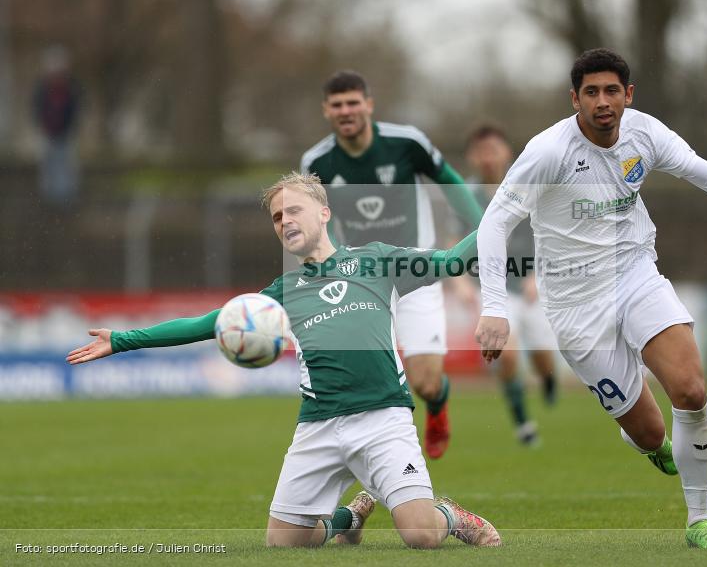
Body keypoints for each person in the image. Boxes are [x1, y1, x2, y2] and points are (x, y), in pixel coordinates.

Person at [474, 48, 707, 550]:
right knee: (648, 432)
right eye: (591, 92)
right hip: (575, 303)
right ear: (575, 99)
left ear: (628, 94)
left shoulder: (645, 133)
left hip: (635, 273)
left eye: (612, 91)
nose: (603, 102)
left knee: (690, 389)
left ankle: (700, 521)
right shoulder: (548, 151)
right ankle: (648, 440)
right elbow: (494, 223)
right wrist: (494, 307)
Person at [66, 173, 500, 550]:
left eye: (294, 210)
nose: (285, 221)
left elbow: (452, 261)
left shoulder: (379, 261)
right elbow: (208, 323)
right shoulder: (280, 292)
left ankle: (450, 515)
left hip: (382, 417)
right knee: (283, 542)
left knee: (420, 535)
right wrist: (121, 340)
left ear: (324, 213)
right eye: (277, 217)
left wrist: (500, 217)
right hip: (319, 425)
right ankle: (348, 519)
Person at [300, 71, 484, 459]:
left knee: (426, 383)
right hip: (361, 279)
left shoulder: (406, 142)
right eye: (337, 105)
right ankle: (371, 456)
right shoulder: (316, 162)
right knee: (361, 378)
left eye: (353, 102)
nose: (346, 111)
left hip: (416, 272)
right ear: (326, 111)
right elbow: (316, 223)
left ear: (369, 105)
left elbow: (451, 183)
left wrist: (486, 230)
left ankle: (437, 404)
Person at [462, 124, 558, 446]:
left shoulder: (527, 186)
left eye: (493, 149)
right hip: (490, 288)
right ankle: (523, 424)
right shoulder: (465, 195)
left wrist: (536, 275)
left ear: (507, 152)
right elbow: (452, 240)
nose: (488, 157)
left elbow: (548, 234)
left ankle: (548, 379)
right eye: (481, 151)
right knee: (507, 355)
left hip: (529, 285)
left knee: (543, 358)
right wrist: (460, 283)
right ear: (472, 157)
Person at [32, 46, 81, 206]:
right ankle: (49, 199)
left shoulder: (71, 88)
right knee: (49, 164)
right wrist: (43, 125)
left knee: (66, 165)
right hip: (49, 133)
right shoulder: (42, 89)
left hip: (65, 133)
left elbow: (75, 109)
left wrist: (68, 126)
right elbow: (37, 109)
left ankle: (65, 199)